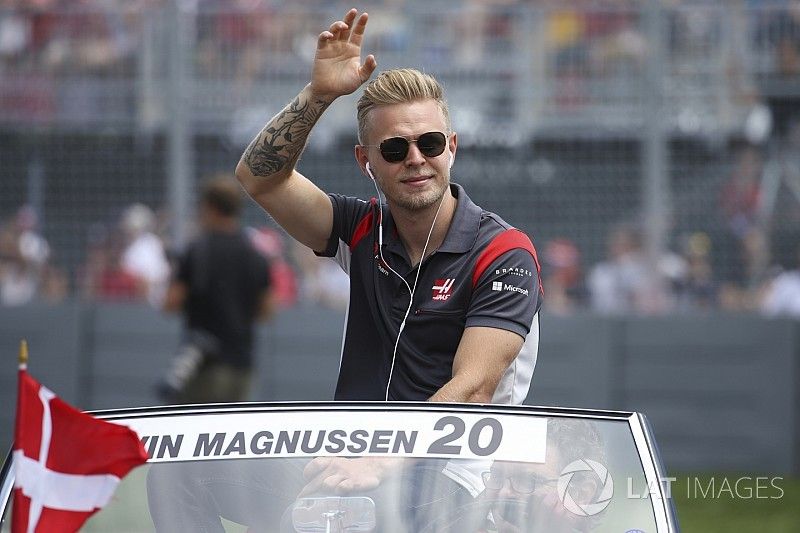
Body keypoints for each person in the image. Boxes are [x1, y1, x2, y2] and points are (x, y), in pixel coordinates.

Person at [149, 9, 542, 531]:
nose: (415, 159)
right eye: (395, 149)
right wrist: (319, 96)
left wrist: (378, 463)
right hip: (346, 458)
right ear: (366, 161)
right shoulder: (362, 229)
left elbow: (473, 387)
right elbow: (259, 178)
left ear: (452, 147)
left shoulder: (504, 251)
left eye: (429, 143)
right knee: (177, 473)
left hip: (444, 476)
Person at [157, 177, 275, 403]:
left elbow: (170, 303)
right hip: (243, 364)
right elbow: (267, 311)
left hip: (204, 366)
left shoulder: (197, 251)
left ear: (209, 207)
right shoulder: (256, 256)